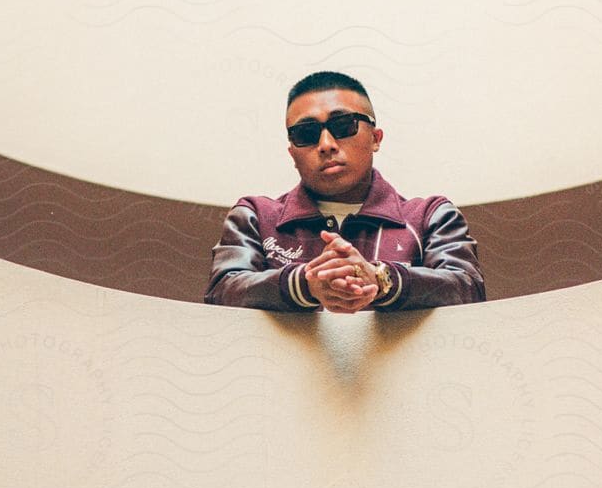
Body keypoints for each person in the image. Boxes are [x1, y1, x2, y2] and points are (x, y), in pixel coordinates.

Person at [204, 70, 486, 312]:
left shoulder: (429, 215)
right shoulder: (255, 216)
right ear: (292, 153)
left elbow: (468, 290)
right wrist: (305, 283)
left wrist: (381, 279)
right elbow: (221, 295)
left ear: (375, 138)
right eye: (306, 133)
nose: (326, 144)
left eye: (342, 126)